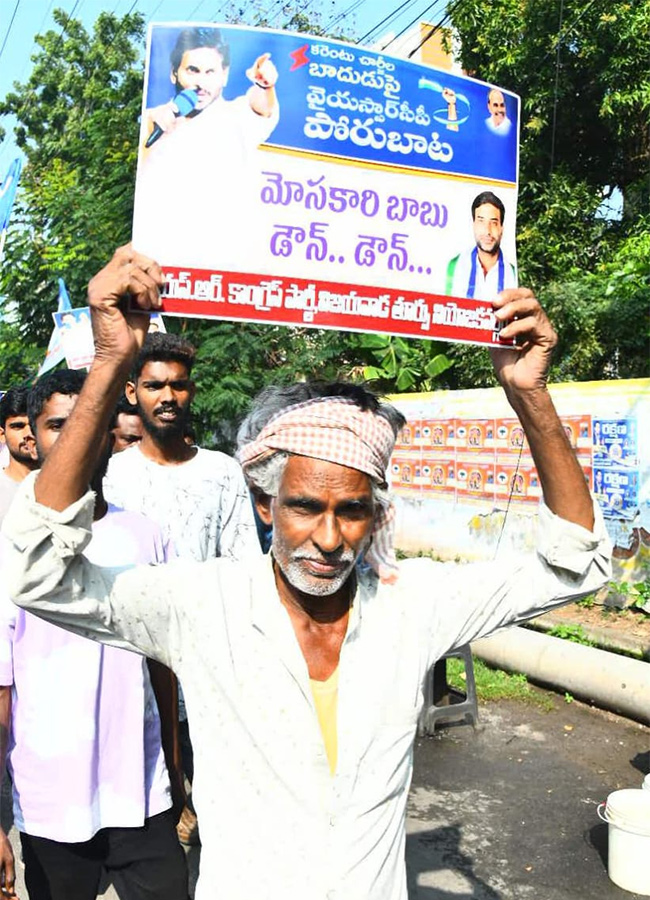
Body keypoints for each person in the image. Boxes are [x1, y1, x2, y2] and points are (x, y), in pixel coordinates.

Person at [3, 246, 611, 900]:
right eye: (303, 506)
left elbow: (573, 566)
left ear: (376, 517)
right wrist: (108, 365)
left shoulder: (411, 607)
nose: (327, 537)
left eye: (350, 510)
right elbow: (37, 572)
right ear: (265, 504)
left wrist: (530, 394)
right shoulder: (204, 607)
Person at [0, 368, 188, 900]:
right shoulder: (9, 548)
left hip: (143, 794)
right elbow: (2, 695)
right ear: (32, 438)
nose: (76, 436)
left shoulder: (145, 535)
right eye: (60, 424)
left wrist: (172, 771)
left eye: (90, 421)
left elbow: (162, 667)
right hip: (51, 804)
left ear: (110, 433)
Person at [104, 331, 261, 843]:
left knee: (223, 803)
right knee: (148, 817)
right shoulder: (109, 476)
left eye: (178, 385)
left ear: (191, 391)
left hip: (207, 663)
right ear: (132, 393)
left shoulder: (221, 472)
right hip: (130, 662)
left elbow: (243, 569)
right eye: (154, 385)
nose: (167, 397)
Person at [134, 26, 279, 268]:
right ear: (174, 73)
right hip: (160, 267)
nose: (201, 83)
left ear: (224, 75)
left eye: (210, 72)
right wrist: (152, 135)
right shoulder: (151, 122)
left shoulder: (237, 118)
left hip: (223, 266)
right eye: (193, 70)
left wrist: (265, 86)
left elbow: (261, 106)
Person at [445, 190, 518, 301]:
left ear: (501, 229)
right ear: (473, 225)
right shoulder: (455, 266)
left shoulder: (513, 273)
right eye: (481, 221)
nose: (487, 231)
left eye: (493, 223)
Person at [0, 387, 38, 524]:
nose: (28, 434)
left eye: (34, 425)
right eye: (18, 426)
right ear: (2, 435)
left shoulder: (70, 485)